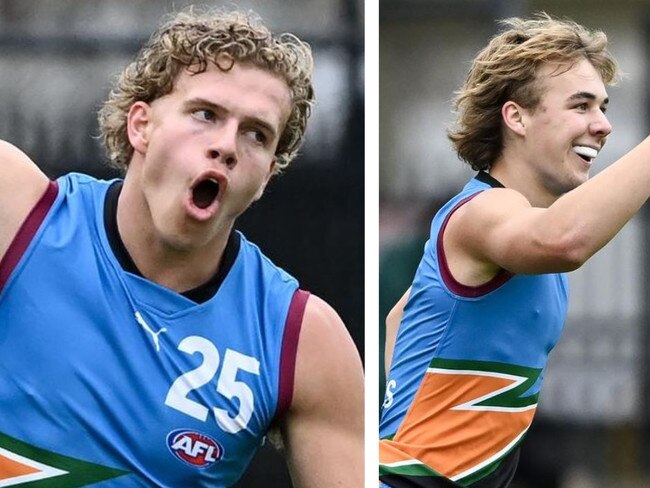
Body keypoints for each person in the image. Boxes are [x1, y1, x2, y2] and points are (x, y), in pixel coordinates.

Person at [0, 7, 363, 487]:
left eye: (257, 134)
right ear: (141, 126)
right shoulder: (20, 210)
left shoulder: (300, 339)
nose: (228, 145)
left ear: (266, 177)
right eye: (205, 114)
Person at [379, 12, 650, 488]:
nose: (603, 125)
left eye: (603, 106)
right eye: (581, 105)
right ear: (516, 116)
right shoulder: (485, 211)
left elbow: (399, 318)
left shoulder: (524, 225)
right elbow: (566, 240)